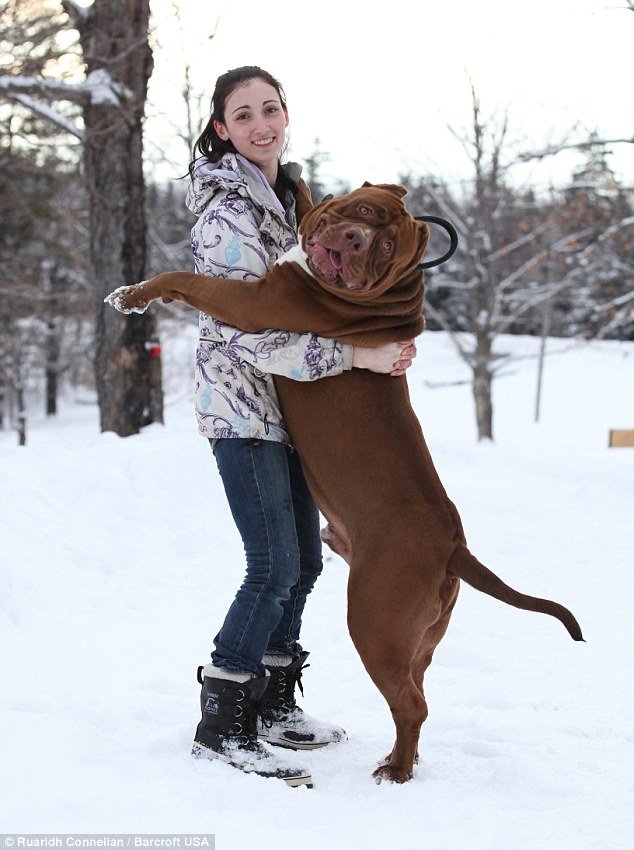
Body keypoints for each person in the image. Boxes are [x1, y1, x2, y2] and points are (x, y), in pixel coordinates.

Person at [186, 65, 416, 786]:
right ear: (222, 128)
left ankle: (275, 702)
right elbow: (248, 334)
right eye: (244, 114)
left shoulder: (293, 202)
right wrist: (358, 355)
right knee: (273, 565)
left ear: (287, 116)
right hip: (242, 409)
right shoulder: (228, 214)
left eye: (271, 109)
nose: (262, 124)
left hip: (294, 413)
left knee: (307, 563)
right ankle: (224, 717)